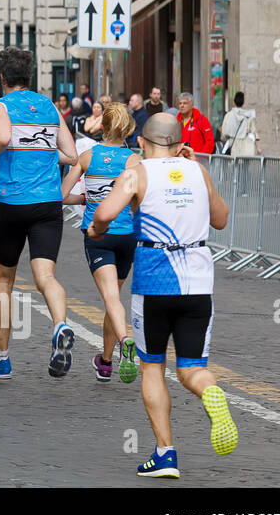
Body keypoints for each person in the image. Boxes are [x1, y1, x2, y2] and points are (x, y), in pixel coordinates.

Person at [90, 113, 236, 478]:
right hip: (198, 283)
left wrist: (96, 229)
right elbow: (220, 218)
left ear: (141, 141)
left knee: (152, 366)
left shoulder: (137, 173)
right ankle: (210, 393)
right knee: (192, 370)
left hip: (155, 282)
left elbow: (106, 212)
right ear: (179, 140)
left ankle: (165, 454)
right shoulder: (198, 170)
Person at [0, 46, 79, 379]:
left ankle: (2, 358)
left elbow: (2, 137)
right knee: (46, 276)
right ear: (29, 75)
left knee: (3, 281)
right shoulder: (48, 106)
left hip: (12, 203)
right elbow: (72, 155)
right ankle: (60, 325)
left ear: (1, 77)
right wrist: (44, 154)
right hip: (48, 203)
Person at [61, 102, 141, 383]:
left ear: (102, 127)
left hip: (99, 234)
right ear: (128, 129)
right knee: (115, 299)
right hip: (127, 236)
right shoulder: (134, 161)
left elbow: (62, 195)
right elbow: (139, 199)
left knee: (110, 298)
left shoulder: (87, 156)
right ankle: (105, 363)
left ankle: (125, 340)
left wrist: (83, 199)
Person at [219, 92, 260, 157]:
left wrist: (224, 139)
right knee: (245, 166)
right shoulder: (248, 116)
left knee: (234, 166)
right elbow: (254, 133)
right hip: (247, 148)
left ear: (234, 102)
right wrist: (258, 148)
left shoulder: (228, 115)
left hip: (233, 147)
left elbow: (224, 133)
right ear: (243, 103)